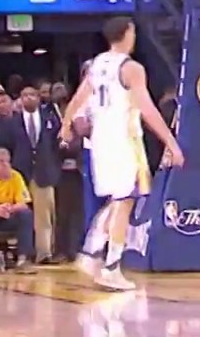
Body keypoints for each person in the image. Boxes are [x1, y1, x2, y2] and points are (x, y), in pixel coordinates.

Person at [60, 17, 184, 291]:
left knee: (118, 200)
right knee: (126, 200)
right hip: (124, 139)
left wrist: (65, 124)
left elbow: (78, 98)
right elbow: (148, 109)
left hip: (101, 140)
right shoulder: (131, 68)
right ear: (128, 34)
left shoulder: (97, 64)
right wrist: (171, 142)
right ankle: (111, 266)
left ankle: (91, 251)